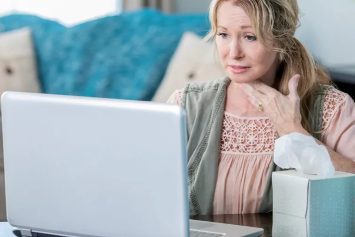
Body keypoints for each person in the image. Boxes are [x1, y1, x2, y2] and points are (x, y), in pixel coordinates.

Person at [167, 0, 355, 216]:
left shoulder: (333, 107)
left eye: (250, 37)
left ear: (281, 40)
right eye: (223, 34)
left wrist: (293, 130)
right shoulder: (184, 104)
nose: (234, 52)